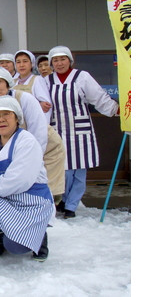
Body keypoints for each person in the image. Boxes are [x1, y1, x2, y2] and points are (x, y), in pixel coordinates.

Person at [0, 96, 54, 262]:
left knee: (16, 247)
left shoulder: (27, 141)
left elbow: (20, 178)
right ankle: (1, 240)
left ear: (17, 118)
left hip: (31, 201)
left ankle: (40, 239)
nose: (1, 119)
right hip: (3, 199)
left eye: (6, 114)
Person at [47, 45, 119, 218]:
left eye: (63, 59)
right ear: (51, 63)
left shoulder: (82, 77)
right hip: (58, 130)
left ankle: (71, 206)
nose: (59, 63)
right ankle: (62, 199)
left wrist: (115, 109)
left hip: (80, 130)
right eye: (55, 60)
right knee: (62, 168)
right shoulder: (46, 81)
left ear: (70, 60)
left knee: (79, 170)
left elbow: (98, 97)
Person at [0, 66, 65, 206]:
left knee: (45, 188)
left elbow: (38, 131)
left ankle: (44, 218)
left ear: (7, 83)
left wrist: (33, 158)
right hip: (15, 149)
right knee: (19, 187)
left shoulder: (24, 99)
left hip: (45, 146)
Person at [12, 50, 53, 116]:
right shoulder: (12, 82)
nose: (21, 65)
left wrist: (43, 125)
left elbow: (46, 107)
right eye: (18, 62)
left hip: (32, 122)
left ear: (32, 64)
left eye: (25, 61)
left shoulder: (37, 80)